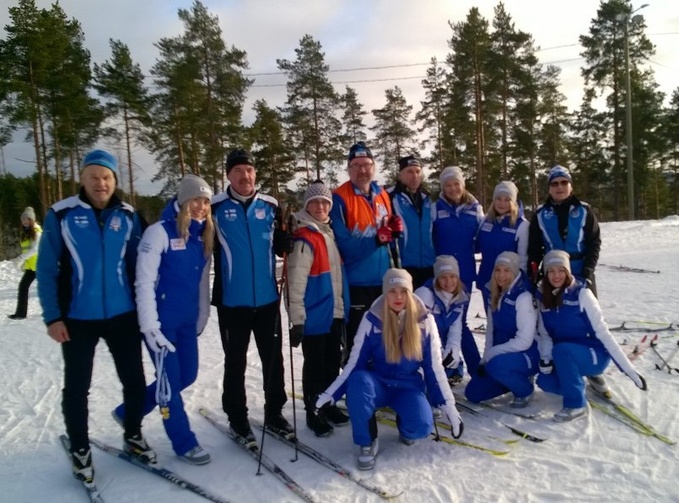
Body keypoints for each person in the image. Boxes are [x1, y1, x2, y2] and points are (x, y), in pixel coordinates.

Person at [37, 149, 154, 484]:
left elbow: (140, 267)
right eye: (93, 177)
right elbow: (46, 270)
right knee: (77, 387)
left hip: (122, 315)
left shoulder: (128, 216)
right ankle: (80, 448)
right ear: (82, 179)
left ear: (115, 180)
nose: (100, 183)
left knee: (134, 381)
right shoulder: (62, 214)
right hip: (78, 318)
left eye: (106, 177)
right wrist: (53, 317)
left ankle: (133, 433)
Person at [315, 268, 463, 471]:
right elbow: (354, 363)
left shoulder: (425, 321)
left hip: (408, 386)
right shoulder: (371, 319)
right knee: (358, 380)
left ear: (410, 293)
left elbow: (434, 368)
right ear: (385, 293)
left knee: (421, 427)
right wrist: (331, 394)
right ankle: (367, 440)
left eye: (403, 291)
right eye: (392, 291)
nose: (398, 297)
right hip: (377, 383)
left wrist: (449, 407)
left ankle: (405, 423)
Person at [112, 174, 214, 465]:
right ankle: (184, 442)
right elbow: (144, 282)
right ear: (183, 200)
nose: (201, 206)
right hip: (160, 324)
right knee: (168, 383)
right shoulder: (159, 232)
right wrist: (150, 326)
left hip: (186, 322)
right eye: (196, 199)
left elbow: (201, 284)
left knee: (187, 375)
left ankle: (128, 412)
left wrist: (201, 315)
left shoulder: (202, 237)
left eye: (206, 201)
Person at [212, 148, 294, 445]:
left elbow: (279, 244)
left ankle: (274, 413)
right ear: (228, 175)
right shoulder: (214, 207)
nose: (245, 176)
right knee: (235, 362)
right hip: (232, 303)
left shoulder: (271, 206)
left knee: (273, 360)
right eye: (238, 171)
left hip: (268, 300)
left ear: (255, 173)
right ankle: (237, 418)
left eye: (249, 170)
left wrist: (285, 241)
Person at [535, 250, 647, 422]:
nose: (556, 275)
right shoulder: (543, 297)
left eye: (561, 270)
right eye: (551, 271)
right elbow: (545, 334)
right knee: (545, 381)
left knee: (562, 350)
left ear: (568, 271)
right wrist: (545, 358)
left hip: (594, 354)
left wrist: (629, 371)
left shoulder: (582, 294)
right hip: (566, 355)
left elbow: (604, 334)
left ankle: (576, 404)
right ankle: (577, 382)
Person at [286, 180, 350, 437]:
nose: (321, 206)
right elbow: (296, 283)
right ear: (307, 205)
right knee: (315, 366)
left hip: (334, 312)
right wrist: (297, 319)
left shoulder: (329, 233)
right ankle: (313, 411)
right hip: (314, 315)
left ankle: (328, 404)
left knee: (332, 363)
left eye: (325, 202)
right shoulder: (304, 237)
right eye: (315, 202)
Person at [330, 142, 400, 359]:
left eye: (367, 165)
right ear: (349, 169)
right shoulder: (339, 198)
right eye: (356, 165)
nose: (362, 170)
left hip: (383, 281)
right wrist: (377, 240)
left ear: (373, 167)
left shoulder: (382, 194)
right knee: (358, 344)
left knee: (385, 341)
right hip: (356, 283)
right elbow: (344, 245)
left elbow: (387, 232)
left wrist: (394, 230)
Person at [465, 252, 539, 407]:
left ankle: (525, 390)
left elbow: (525, 341)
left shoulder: (523, 296)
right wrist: (485, 358)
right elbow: (491, 329)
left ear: (515, 272)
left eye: (507, 270)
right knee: (473, 393)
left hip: (526, 353)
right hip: (502, 355)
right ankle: (509, 380)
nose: (501, 275)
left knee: (496, 366)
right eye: (498, 270)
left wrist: (493, 354)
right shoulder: (494, 293)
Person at [431, 166, 484, 375]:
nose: (453, 189)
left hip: (464, 275)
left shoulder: (475, 208)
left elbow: (481, 241)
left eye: (456, 184)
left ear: (463, 185)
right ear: (442, 188)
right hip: (441, 275)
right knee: (441, 321)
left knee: (458, 320)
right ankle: (452, 368)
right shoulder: (435, 209)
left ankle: (475, 368)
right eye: (448, 185)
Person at [528, 165, 601, 296]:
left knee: (586, 307)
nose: (559, 187)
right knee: (552, 308)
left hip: (580, 270)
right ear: (549, 189)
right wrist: (534, 273)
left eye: (564, 182)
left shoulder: (584, 210)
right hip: (553, 273)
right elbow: (534, 248)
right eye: (554, 184)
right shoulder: (540, 214)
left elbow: (594, 243)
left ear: (571, 186)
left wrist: (588, 270)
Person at [414, 255, 469, 385]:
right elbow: (419, 330)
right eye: (443, 277)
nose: (448, 282)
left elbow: (455, 329)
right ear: (437, 278)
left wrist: (453, 349)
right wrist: (438, 351)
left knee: (451, 362)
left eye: (452, 276)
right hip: (420, 343)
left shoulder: (460, 298)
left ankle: (450, 373)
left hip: (439, 343)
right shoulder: (425, 294)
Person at [476, 181, 529, 313]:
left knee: (506, 319)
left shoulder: (521, 225)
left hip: (507, 283)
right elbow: (476, 246)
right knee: (491, 319)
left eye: (507, 200)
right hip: (487, 280)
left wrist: (517, 285)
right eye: (498, 199)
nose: (502, 203)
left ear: (513, 202)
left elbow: (523, 259)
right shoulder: (486, 220)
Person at [387, 155, 435, 288]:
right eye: (409, 172)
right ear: (400, 175)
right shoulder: (389, 196)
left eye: (418, 171)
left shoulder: (428, 198)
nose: (414, 176)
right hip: (403, 266)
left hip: (428, 265)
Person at [8, 206, 42, 320]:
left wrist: (21, 258)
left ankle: (64, 312)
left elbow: (35, 249)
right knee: (23, 287)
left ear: (32, 220)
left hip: (41, 266)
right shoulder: (26, 232)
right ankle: (20, 314)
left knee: (51, 289)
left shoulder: (37, 232)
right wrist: (23, 262)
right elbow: (27, 250)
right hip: (32, 267)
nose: (25, 221)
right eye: (23, 219)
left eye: (27, 219)